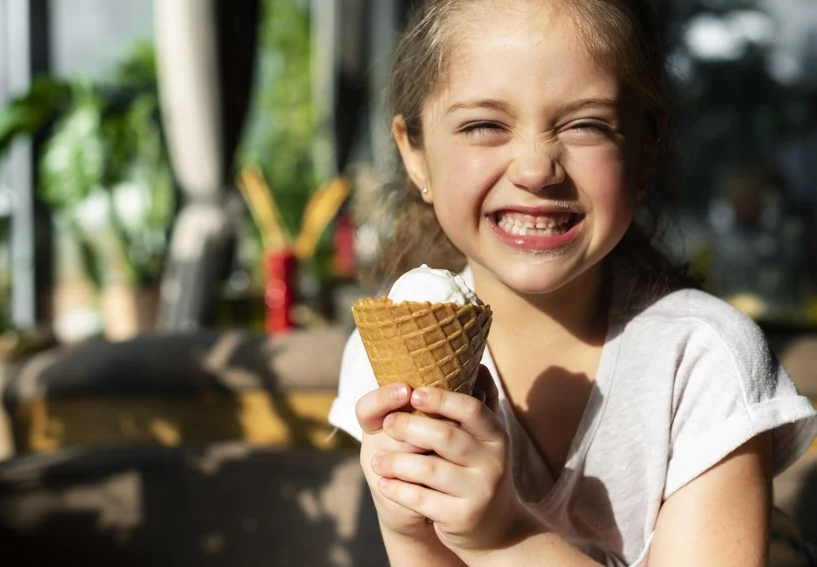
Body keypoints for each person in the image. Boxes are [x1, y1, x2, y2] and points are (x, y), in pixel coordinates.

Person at [327, 0, 817, 565]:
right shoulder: (381, 356)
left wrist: (503, 536)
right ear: (413, 153)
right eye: (484, 124)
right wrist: (411, 532)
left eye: (585, 124)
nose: (537, 169)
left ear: (644, 148)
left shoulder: (703, 362)